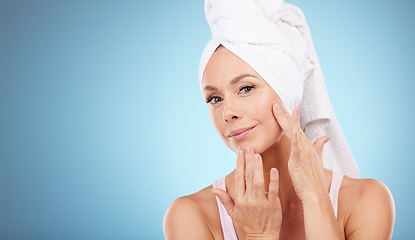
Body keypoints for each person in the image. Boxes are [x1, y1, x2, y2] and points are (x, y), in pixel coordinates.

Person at [163, 0, 395, 239]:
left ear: (287, 90)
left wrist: (316, 197)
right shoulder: (190, 215)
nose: (227, 112)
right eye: (214, 99)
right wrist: (258, 233)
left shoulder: (365, 200)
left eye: (245, 88)